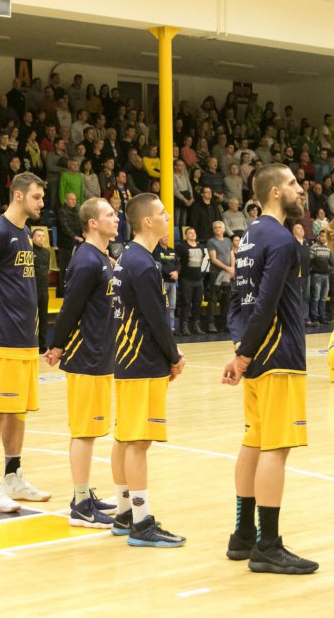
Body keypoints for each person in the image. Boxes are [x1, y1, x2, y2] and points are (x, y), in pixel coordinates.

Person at [222, 163, 317, 574]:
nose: (301, 189)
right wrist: (243, 354)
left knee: (254, 442)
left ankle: (243, 535)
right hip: (279, 355)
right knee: (275, 449)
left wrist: (241, 347)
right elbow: (266, 301)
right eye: (293, 183)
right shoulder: (281, 239)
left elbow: (236, 301)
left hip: (257, 353)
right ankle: (268, 544)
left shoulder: (248, 238)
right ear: (275, 192)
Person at [0, 172, 50, 513]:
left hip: (24, 337)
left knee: (17, 410)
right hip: (1, 334)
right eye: (36, 197)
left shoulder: (24, 233)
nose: (41, 203)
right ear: (18, 196)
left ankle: (13, 476)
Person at [108, 193, 186, 545]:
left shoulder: (128, 257)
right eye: (162, 213)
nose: (168, 217)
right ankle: (141, 522)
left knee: (125, 438)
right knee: (138, 441)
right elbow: (157, 318)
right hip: (142, 360)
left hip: (127, 357)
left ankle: (125, 512)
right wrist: (173, 355)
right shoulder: (143, 263)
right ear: (147, 222)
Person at [45, 197, 120, 528]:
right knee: (84, 431)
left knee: (91, 429)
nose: (116, 218)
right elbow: (70, 308)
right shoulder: (87, 260)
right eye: (109, 214)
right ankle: (79, 504)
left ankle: (84, 493)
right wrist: (57, 345)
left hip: (101, 352)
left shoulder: (102, 257)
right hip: (85, 354)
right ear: (92, 223)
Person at [207, 220, 235, 333]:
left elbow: (232, 255)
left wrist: (232, 268)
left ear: (224, 229)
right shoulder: (211, 241)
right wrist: (227, 268)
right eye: (216, 227)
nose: (218, 229)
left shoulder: (228, 241)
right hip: (216, 273)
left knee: (227, 299)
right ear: (213, 230)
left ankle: (225, 324)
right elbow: (213, 259)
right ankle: (211, 324)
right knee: (213, 299)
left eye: (220, 227)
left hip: (228, 273)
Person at [154, 235, 179, 332]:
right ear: (159, 239)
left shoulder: (172, 251)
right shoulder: (156, 251)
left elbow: (178, 264)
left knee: (172, 306)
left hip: (173, 282)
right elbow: (158, 265)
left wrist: (176, 272)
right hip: (162, 281)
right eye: (164, 237)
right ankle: (161, 328)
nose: (167, 239)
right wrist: (169, 273)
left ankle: (171, 328)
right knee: (161, 305)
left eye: (168, 237)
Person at [32, 227, 51, 352]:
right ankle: (31, 343)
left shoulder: (47, 252)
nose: (41, 238)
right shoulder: (29, 251)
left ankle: (43, 345)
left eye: (43, 236)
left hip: (44, 289)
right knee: (32, 318)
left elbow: (47, 269)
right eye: (38, 236)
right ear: (33, 238)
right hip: (32, 290)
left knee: (44, 318)